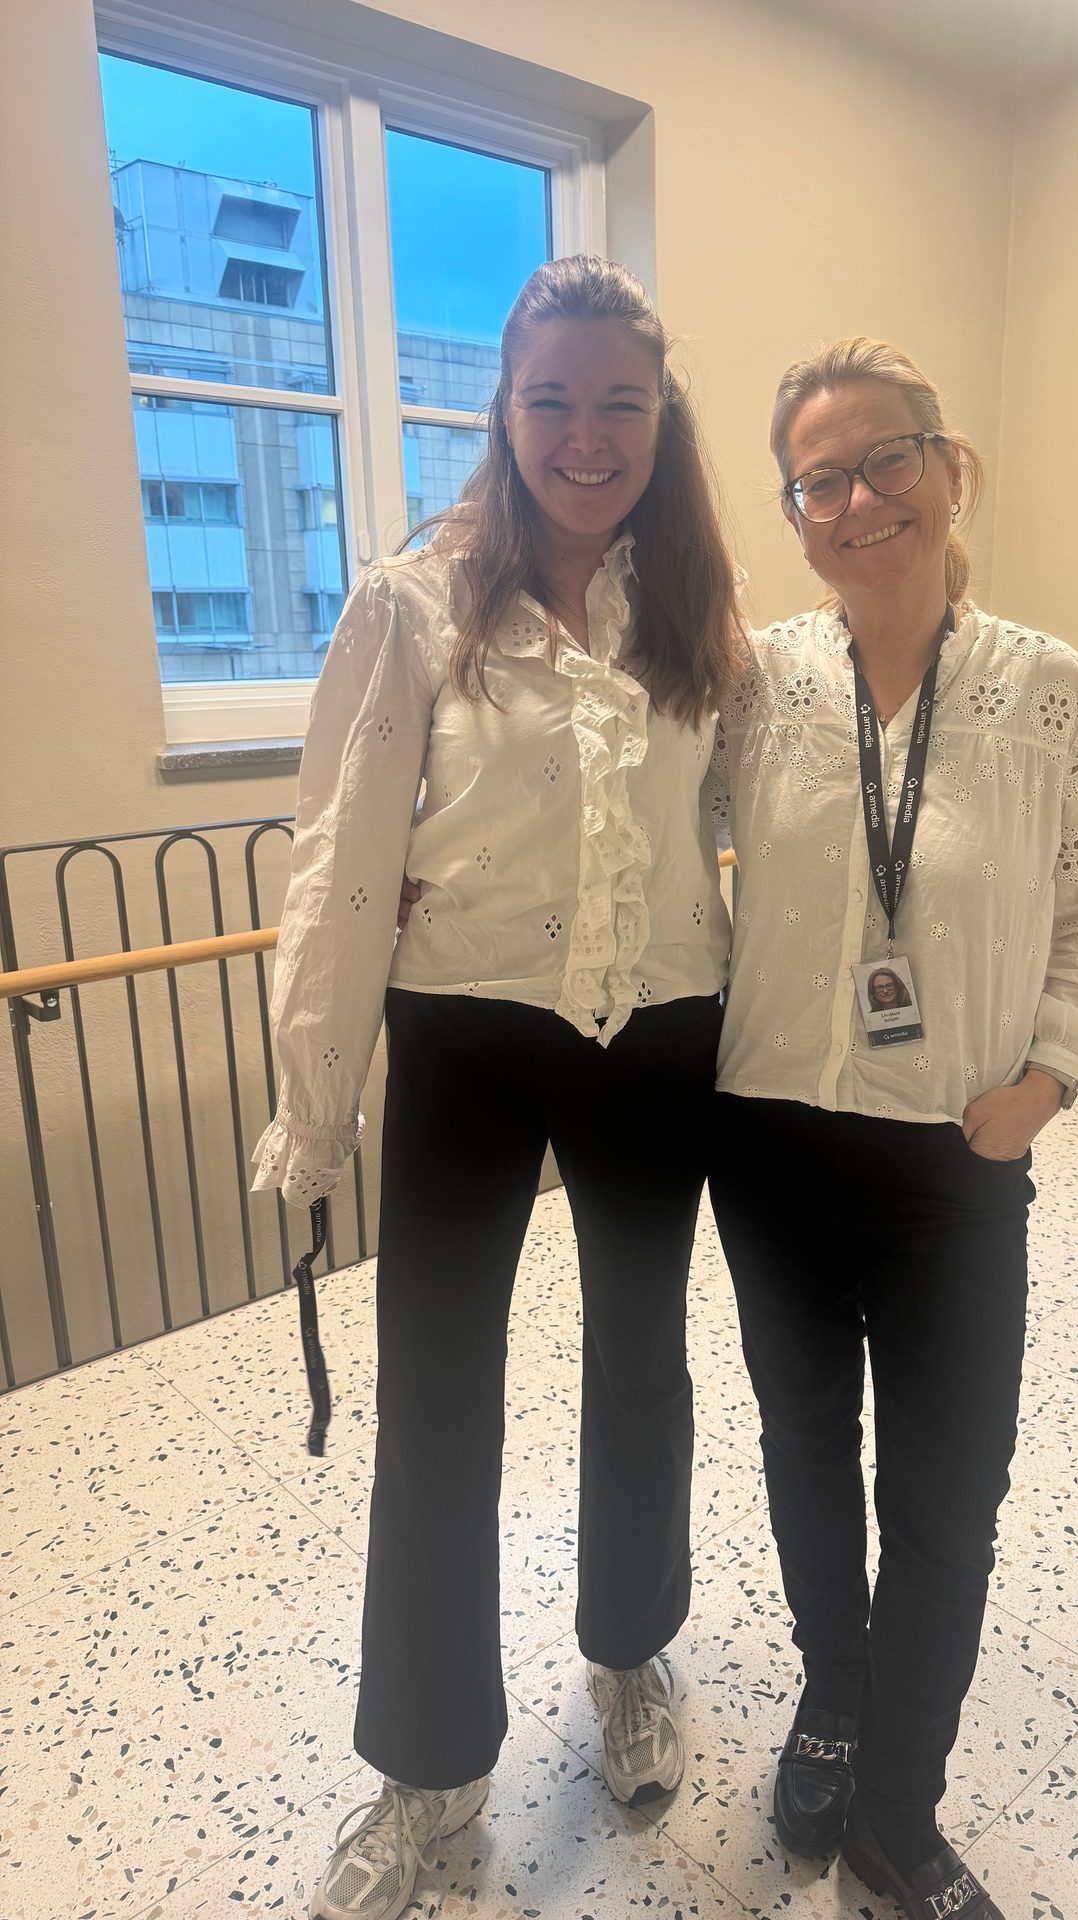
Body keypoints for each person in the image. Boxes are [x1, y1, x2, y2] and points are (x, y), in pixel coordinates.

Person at [250, 254, 747, 1920]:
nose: (588, 435)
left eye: (622, 403)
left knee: (643, 1362)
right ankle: (424, 1764)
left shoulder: (699, 610)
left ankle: (630, 1657)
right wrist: (313, 1097)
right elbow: (340, 857)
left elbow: (759, 833)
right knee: (440, 1400)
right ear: (505, 409)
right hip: (462, 1024)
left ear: (658, 418)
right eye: (556, 399)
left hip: (659, 1024)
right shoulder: (413, 598)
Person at [705, 338, 1078, 1920]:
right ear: (796, 515)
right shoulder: (756, 682)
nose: (858, 497)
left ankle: (900, 1808)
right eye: (820, 478)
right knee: (805, 1451)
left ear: (948, 470)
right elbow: (630, 841)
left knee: (949, 1497)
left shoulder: (1052, 691)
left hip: (955, 1160)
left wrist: (1048, 1086)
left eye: (887, 457)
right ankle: (835, 1701)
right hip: (767, 1147)